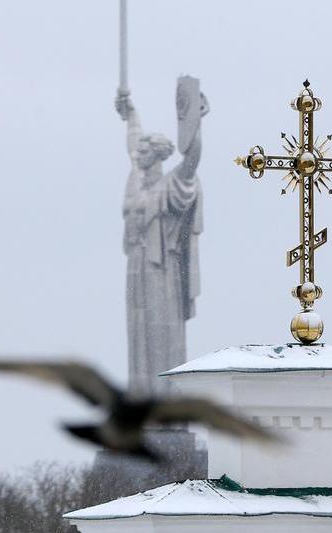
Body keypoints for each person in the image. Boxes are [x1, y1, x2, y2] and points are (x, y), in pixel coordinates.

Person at [115, 86, 207, 396]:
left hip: (163, 270)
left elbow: (192, 158)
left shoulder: (172, 185)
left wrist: (195, 121)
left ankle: (166, 404)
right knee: (138, 337)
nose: (136, 155)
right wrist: (131, 115)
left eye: (143, 152)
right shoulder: (138, 182)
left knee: (161, 337)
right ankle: (142, 401)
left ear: (155, 155)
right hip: (138, 267)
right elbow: (133, 141)